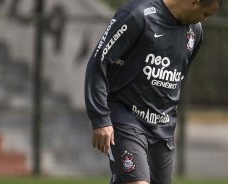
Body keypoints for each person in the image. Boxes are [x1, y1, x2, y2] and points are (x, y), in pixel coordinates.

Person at [84, 0, 221, 184]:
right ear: (194, 2)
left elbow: (178, 78)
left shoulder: (194, 32)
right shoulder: (138, 15)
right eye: (205, 14)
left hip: (162, 128)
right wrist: (100, 117)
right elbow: (98, 63)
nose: (204, 20)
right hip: (126, 117)